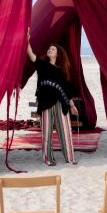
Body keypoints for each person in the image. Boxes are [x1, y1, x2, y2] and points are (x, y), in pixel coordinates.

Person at [25, 29, 77, 166]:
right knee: (46, 133)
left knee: (65, 131)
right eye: (49, 49)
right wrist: (26, 39)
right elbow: (30, 54)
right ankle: (48, 159)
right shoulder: (42, 65)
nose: (50, 50)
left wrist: (72, 105)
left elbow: (66, 89)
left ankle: (70, 158)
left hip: (61, 103)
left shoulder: (61, 71)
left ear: (57, 54)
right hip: (45, 102)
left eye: (53, 49)